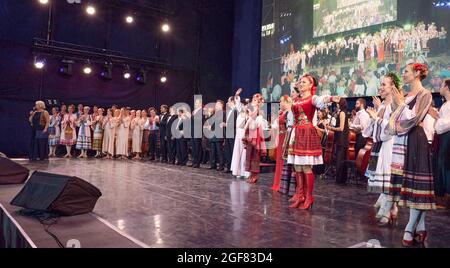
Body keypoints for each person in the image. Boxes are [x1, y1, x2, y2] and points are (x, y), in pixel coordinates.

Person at [385, 63, 435, 247]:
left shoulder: (425, 94)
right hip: (402, 142)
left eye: (406, 71)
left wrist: (400, 105)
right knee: (411, 185)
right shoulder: (405, 96)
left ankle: (410, 226)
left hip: (416, 141)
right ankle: (420, 226)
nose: (403, 75)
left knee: (417, 186)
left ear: (417, 73)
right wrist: (397, 105)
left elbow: (415, 118)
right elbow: (395, 120)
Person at [289, 75, 339, 210]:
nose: (300, 84)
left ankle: (309, 197)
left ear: (311, 85)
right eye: (300, 82)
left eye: (303, 82)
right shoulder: (296, 99)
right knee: (297, 166)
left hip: (306, 133)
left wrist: (331, 98)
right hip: (297, 132)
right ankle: (300, 196)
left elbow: (322, 100)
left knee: (305, 166)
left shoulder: (312, 98)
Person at [363, 73, 400, 222]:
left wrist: (376, 118)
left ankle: (389, 207)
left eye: (384, 84)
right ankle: (388, 206)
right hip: (380, 145)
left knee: (389, 178)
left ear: (393, 87)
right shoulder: (383, 106)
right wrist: (373, 119)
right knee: (383, 180)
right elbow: (369, 131)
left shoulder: (394, 107)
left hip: (389, 146)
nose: (381, 87)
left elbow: (391, 131)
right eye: (381, 84)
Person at [430, 79, 450, 207]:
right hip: (443, 137)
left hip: (447, 138)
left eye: (442, 85)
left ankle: (446, 197)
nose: (440, 87)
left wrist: (436, 117)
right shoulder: (445, 104)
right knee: (441, 165)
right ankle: (442, 195)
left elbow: (447, 123)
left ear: (447, 87)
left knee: (445, 166)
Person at [271, 95, 294, 191]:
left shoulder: (289, 113)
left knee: (283, 160)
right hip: (280, 137)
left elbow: (290, 127)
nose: (279, 103)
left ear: (286, 102)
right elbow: (275, 125)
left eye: (281, 101)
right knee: (279, 160)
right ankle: (278, 183)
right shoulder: (282, 113)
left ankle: (281, 184)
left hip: (285, 137)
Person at [244, 94, 266, 184]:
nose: (254, 101)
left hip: (256, 133)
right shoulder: (250, 109)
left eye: (256, 100)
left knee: (255, 154)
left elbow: (257, 123)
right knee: (249, 153)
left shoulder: (259, 111)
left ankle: (255, 175)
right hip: (250, 132)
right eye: (253, 99)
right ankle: (251, 173)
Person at [327, 98, 349, 185]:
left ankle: (340, 179)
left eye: (337, 103)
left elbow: (341, 128)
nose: (336, 105)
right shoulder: (343, 112)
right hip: (342, 138)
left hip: (341, 138)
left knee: (340, 159)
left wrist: (331, 128)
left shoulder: (342, 113)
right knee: (341, 158)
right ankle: (341, 179)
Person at [223, 89, 243, 173]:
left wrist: (236, 95)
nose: (227, 103)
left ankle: (232, 167)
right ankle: (228, 166)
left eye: (228, 101)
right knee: (227, 150)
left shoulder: (236, 111)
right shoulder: (229, 111)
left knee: (232, 150)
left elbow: (237, 123)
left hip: (233, 133)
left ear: (232, 102)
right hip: (228, 133)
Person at [231, 98, 250, 179]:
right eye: (243, 105)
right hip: (238, 134)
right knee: (238, 151)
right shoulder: (239, 114)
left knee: (244, 152)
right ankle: (238, 170)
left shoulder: (249, 115)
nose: (244, 106)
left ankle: (245, 171)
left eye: (246, 105)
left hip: (244, 133)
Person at [209, 101, 226, 171]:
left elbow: (222, 122)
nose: (216, 105)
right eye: (216, 104)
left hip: (219, 134)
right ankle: (213, 164)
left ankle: (221, 165)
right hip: (213, 134)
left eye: (217, 104)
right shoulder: (214, 113)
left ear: (221, 105)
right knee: (212, 150)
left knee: (219, 151)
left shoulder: (223, 113)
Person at [190, 99, 203, 168]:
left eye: (197, 103)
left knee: (197, 147)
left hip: (197, 131)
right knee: (194, 147)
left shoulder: (201, 111)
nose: (195, 104)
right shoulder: (194, 111)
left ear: (200, 103)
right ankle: (194, 161)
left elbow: (200, 121)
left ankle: (197, 162)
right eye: (195, 102)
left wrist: (193, 115)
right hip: (192, 131)